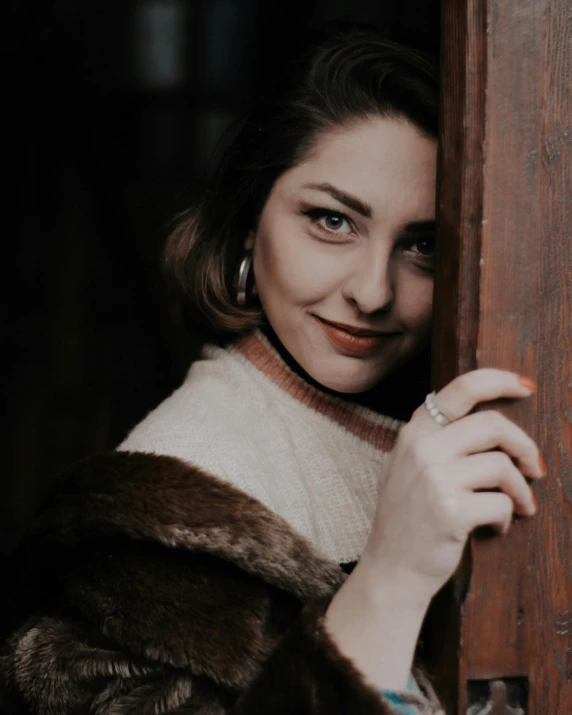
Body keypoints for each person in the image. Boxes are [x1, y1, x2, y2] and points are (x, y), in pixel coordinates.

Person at [0, 29, 544, 715]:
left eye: (423, 244)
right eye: (331, 221)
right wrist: (389, 578)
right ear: (248, 225)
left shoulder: (469, 421)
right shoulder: (159, 519)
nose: (373, 291)